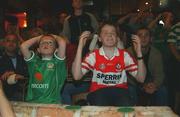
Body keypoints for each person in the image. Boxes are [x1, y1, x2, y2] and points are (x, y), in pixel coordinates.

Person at [72, 21, 146, 106]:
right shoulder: (93, 56)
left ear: (117, 38)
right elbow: (77, 76)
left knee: (125, 105)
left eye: (113, 33)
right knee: (101, 104)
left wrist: (139, 53)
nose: (110, 35)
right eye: (105, 33)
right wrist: (80, 47)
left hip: (121, 91)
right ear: (99, 38)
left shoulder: (124, 55)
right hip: (98, 91)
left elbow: (141, 78)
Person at [61, 0, 99, 105]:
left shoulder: (89, 16)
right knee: (76, 72)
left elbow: (97, 31)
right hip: (74, 49)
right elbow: (65, 36)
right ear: (72, 4)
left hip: (90, 47)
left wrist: (88, 38)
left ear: (83, 3)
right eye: (75, 1)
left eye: (80, 1)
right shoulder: (68, 19)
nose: (78, 2)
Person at [20, 34, 67, 104]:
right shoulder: (33, 62)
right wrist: (39, 37)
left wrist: (54, 36)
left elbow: (62, 43)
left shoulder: (58, 63)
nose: (46, 44)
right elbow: (23, 46)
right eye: (42, 42)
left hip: (51, 103)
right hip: (32, 103)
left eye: (50, 42)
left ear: (56, 50)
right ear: (38, 49)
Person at [127, 27, 168, 106]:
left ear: (151, 38)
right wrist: (143, 86)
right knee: (130, 89)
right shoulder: (128, 52)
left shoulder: (156, 53)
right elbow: (127, 76)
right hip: (135, 84)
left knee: (163, 90)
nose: (143, 38)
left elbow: (159, 74)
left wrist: (155, 85)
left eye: (146, 35)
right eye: (140, 35)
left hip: (151, 84)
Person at [0, 33, 28, 101]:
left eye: (14, 41)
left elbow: (30, 76)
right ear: (3, 43)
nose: (11, 43)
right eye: (8, 41)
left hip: (24, 96)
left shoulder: (24, 59)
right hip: (5, 98)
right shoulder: (1, 60)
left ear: (18, 44)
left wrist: (18, 76)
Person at [168, 21, 180, 114]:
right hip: (177, 59)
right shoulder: (176, 27)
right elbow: (171, 45)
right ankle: (175, 111)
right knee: (177, 88)